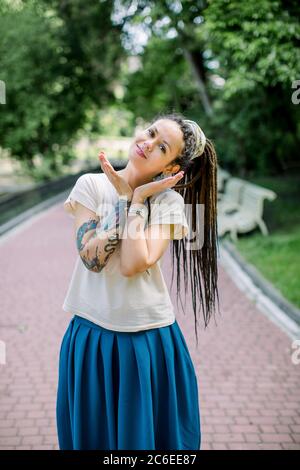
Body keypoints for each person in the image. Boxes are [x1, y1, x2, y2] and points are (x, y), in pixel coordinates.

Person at [56, 112, 220, 450]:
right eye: (150, 133)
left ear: (172, 169)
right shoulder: (91, 185)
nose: (146, 144)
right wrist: (122, 200)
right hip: (91, 335)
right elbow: (90, 258)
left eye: (162, 146)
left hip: (147, 339)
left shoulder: (170, 203)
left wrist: (137, 201)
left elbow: (134, 264)